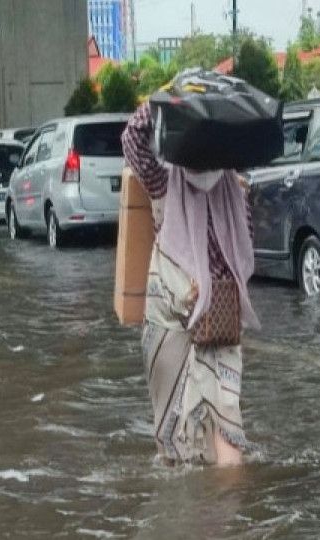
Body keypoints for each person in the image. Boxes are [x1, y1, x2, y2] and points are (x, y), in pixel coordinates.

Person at [121, 103, 259, 467]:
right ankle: (230, 498)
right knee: (225, 421)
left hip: (168, 313)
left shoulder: (164, 182)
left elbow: (132, 138)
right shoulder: (236, 190)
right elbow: (246, 253)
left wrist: (166, 102)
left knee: (170, 424)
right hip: (221, 315)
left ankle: (183, 488)